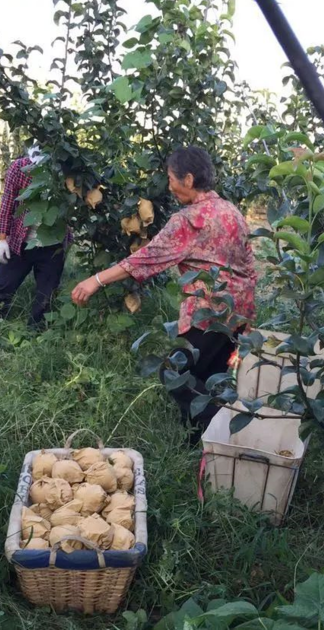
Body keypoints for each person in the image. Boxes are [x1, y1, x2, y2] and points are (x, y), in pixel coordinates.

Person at [71, 146, 257, 442]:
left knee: (173, 372)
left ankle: (222, 425)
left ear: (188, 179)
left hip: (208, 314)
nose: (169, 186)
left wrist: (96, 280)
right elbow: (249, 266)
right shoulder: (232, 212)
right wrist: (249, 317)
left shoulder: (190, 219)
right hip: (236, 312)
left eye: (171, 179)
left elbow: (147, 258)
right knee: (206, 378)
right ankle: (200, 447)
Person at [0, 146, 69, 327]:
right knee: (2, 287)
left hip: (53, 245)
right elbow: (7, 204)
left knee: (46, 295)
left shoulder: (65, 171)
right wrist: (2, 240)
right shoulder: (20, 168)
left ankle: (37, 333)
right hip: (20, 242)